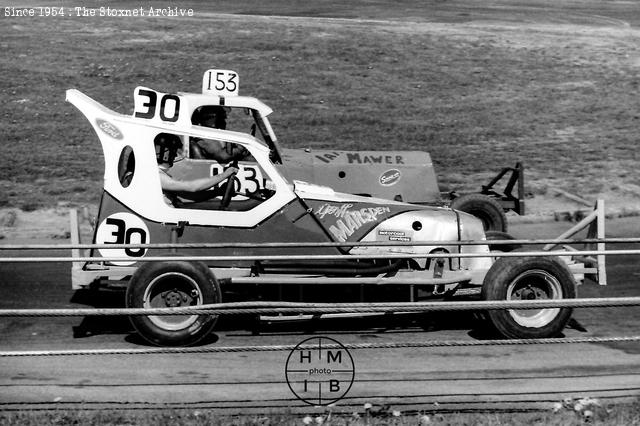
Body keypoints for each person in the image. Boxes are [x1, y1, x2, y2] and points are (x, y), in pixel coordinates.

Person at [154, 132, 238, 207]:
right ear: (164, 153)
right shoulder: (157, 176)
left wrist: (218, 192)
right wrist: (224, 174)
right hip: (166, 220)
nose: (175, 156)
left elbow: (188, 197)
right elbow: (192, 187)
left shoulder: (162, 175)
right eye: (173, 151)